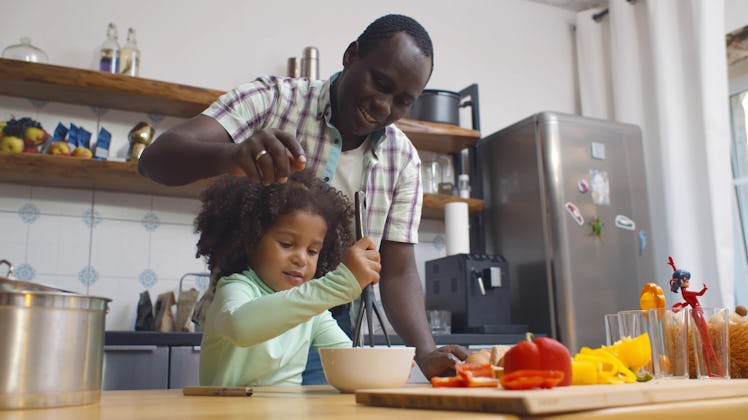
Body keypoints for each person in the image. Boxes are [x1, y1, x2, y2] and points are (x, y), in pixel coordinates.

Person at [138, 13, 469, 381]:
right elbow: (154, 161)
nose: (383, 106)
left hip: (330, 319)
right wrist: (230, 155)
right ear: (351, 55)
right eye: (379, 82)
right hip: (254, 307)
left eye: (402, 101)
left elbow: (398, 269)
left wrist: (424, 351)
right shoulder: (272, 100)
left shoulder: (404, 160)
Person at [194, 170, 381, 386]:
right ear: (250, 239)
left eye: (312, 251)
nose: (301, 259)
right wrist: (339, 285)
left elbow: (350, 359)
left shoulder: (312, 312)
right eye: (286, 244)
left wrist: (381, 366)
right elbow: (241, 328)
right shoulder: (235, 287)